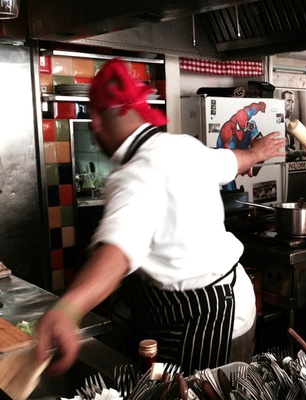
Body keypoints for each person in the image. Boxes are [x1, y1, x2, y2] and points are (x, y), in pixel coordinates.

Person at [35, 58, 285, 376]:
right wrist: (258, 152)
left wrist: (67, 310)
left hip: (206, 320)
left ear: (96, 120)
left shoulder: (135, 173)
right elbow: (235, 160)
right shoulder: (181, 145)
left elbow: (118, 252)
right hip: (227, 304)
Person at [282, 90, 306, 161]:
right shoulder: (280, 122)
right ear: (282, 102)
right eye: (288, 101)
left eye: (293, 101)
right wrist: (300, 153)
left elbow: (292, 147)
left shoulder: (289, 122)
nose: (291, 104)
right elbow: (284, 154)